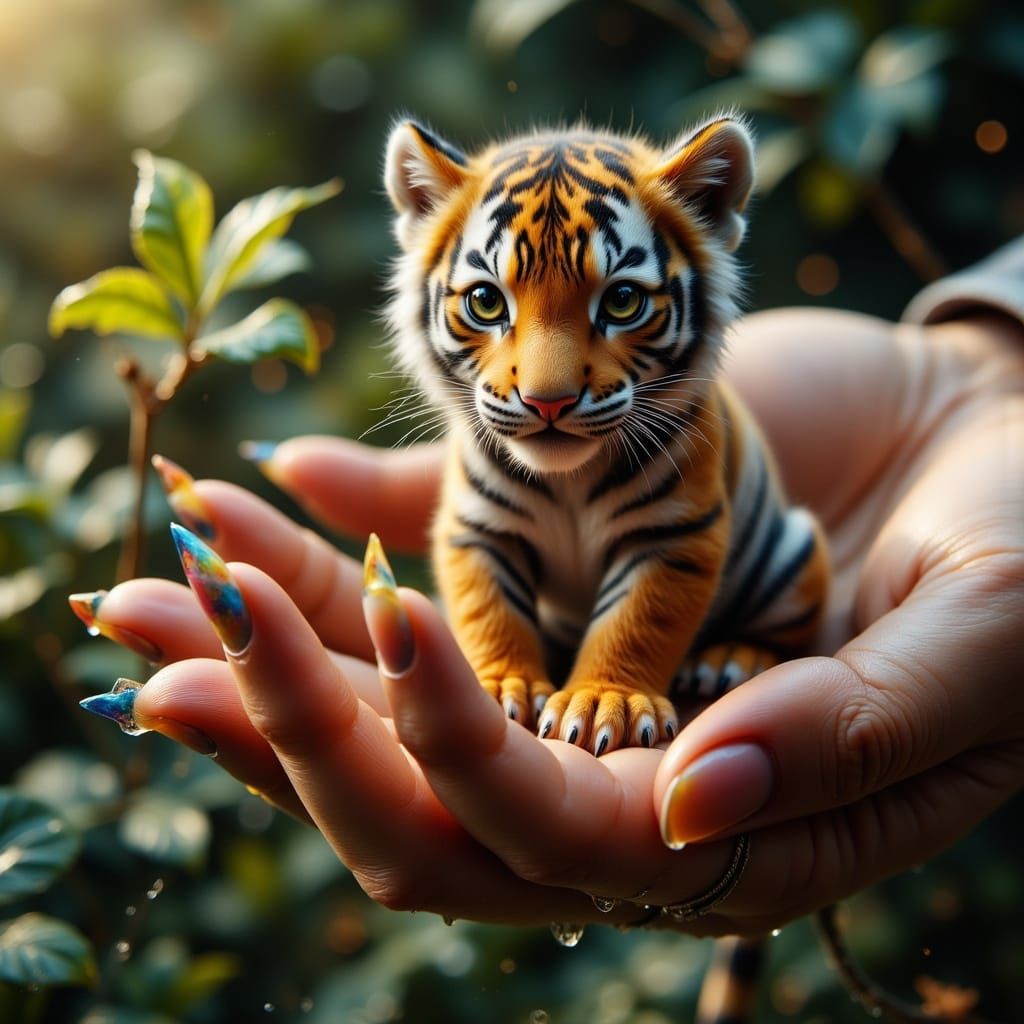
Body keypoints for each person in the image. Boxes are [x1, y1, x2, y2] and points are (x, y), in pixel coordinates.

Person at [74, 242, 1024, 935]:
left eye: (622, 302)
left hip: (757, 592)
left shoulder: (689, 423)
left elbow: (679, 553)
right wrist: (982, 355)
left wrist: (967, 392)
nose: (548, 378)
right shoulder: (484, 438)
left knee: (743, 561)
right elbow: (474, 548)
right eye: (488, 305)